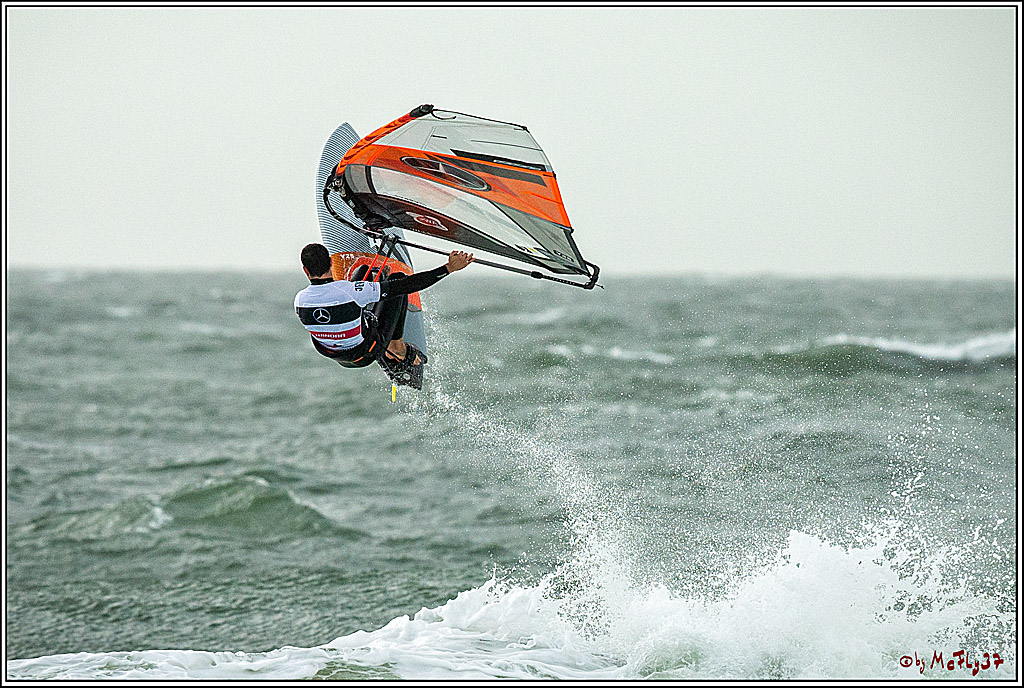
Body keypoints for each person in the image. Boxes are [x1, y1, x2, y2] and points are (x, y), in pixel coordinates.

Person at [294, 242, 474, 377]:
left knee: (364, 271)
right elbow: (408, 285)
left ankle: (376, 287)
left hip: (339, 358)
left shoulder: (300, 301)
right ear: (331, 263)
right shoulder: (350, 292)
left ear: (305, 270)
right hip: (366, 353)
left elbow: (337, 302)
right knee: (397, 280)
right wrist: (448, 268)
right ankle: (397, 348)